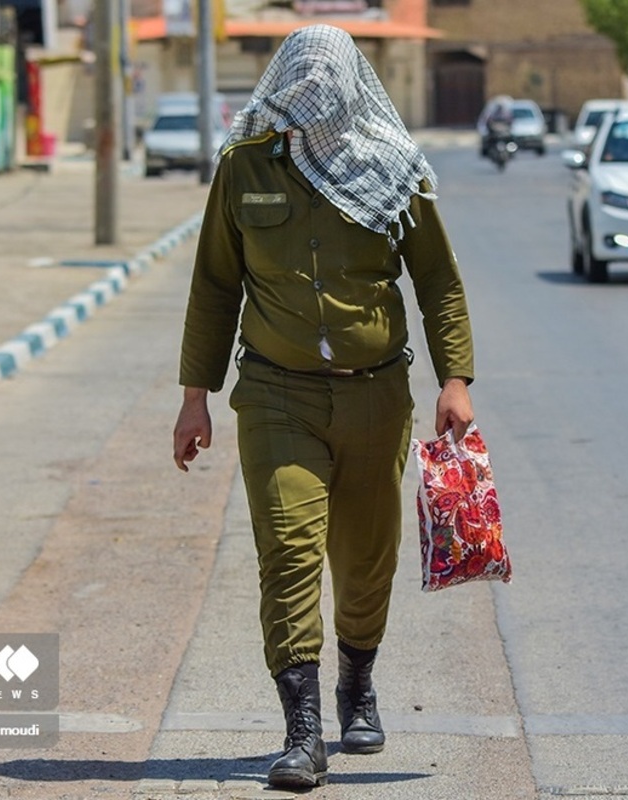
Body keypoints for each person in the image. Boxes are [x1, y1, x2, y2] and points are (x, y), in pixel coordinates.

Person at [171, 24, 476, 790]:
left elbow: (436, 278)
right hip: (276, 395)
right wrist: (194, 398)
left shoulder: (392, 170)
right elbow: (215, 284)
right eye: (294, 101)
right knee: (289, 552)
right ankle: (302, 730)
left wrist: (456, 379)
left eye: (321, 101)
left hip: (377, 397)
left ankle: (357, 680)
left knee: (366, 562)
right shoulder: (244, 169)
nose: (305, 117)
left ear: (347, 94)